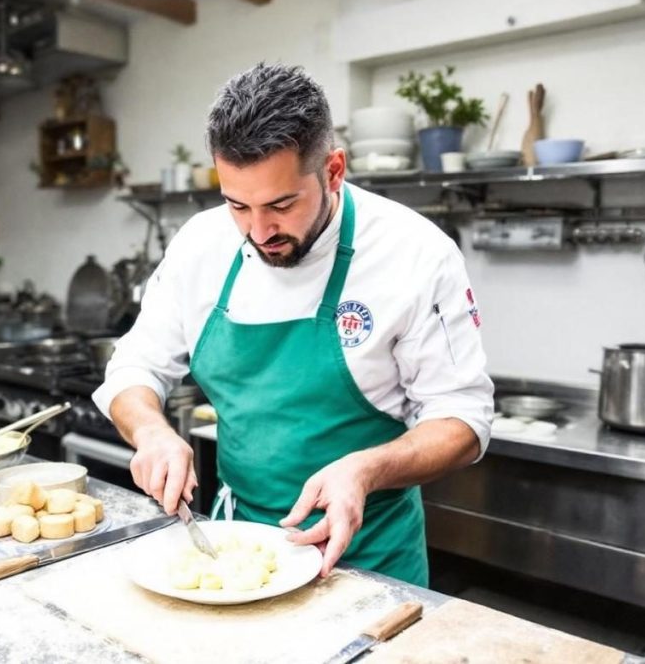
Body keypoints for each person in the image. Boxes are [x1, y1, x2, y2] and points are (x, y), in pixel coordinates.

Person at [92, 63, 494, 587]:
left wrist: (365, 469)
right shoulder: (200, 245)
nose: (259, 231)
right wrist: (151, 432)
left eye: (281, 204)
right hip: (236, 549)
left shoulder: (415, 254)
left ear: (333, 170)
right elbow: (134, 366)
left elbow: (462, 419)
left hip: (370, 559)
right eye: (237, 205)